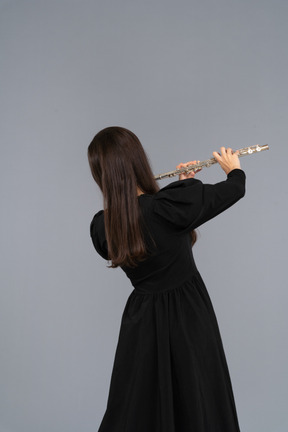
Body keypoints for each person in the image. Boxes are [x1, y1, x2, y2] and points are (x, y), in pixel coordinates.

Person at [88, 126, 245, 432]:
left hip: (142, 321)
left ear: (101, 175)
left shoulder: (102, 227)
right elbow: (234, 189)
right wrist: (233, 169)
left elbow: (148, 222)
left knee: (141, 407)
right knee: (197, 400)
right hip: (189, 316)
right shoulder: (169, 207)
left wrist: (183, 187)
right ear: (137, 161)